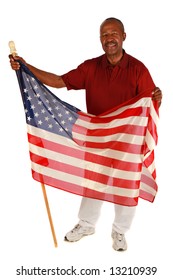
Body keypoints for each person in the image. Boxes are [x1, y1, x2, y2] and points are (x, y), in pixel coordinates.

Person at [9, 17, 162, 251]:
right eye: (104, 35)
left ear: (123, 36)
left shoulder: (138, 69)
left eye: (113, 33)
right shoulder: (91, 67)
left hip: (127, 141)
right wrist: (27, 68)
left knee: (126, 186)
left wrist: (156, 99)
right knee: (94, 183)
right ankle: (86, 224)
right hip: (98, 137)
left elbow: (149, 103)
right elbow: (60, 81)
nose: (109, 38)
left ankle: (119, 231)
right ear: (100, 40)